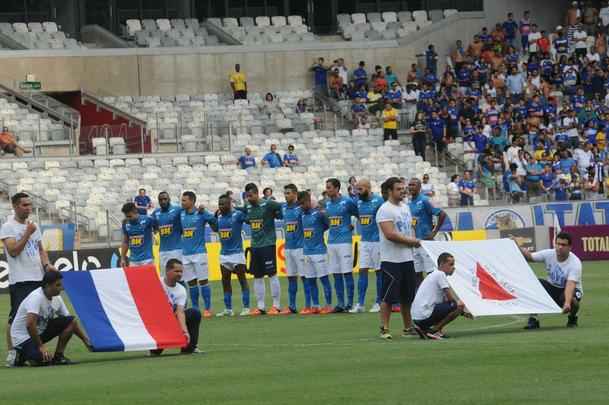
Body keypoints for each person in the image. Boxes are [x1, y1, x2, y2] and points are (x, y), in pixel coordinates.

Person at [1, 192, 56, 368]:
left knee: (38, 316)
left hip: (38, 278)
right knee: (15, 318)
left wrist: (47, 265)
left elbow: (41, 250)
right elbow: (13, 251)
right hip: (21, 280)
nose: (29, 208)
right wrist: (27, 233)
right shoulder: (8, 227)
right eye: (25, 205)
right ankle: (12, 353)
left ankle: (30, 350)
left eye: (30, 205)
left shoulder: (34, 226)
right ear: (16, 206)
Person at [10, 271, 91, 366]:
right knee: (44, 360)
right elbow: (29, 324)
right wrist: (41, 346)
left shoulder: (57, 298)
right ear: (48, 285)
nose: (62, 288)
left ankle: (58, 357)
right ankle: (20, 355)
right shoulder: (36, 297)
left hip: (38, 332)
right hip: (23, 337)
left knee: (71, 321)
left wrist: (85, 340)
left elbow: (70, 322)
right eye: (58, 285)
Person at [376, 177, 421, 339]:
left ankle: (408, 327)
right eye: (398, 189)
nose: (403, 191)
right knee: (388, 297)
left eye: (403, 188)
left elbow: (409, 229)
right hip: (391, 260)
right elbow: (390, 234)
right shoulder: (385, 209)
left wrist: (413, 242)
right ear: (390, 191)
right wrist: (412, 242)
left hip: (407, 258)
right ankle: (384, 328)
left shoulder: (405, 207)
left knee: (407, 296)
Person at [517, 232, 583, 329]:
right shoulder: (549, 254)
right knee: (534, 284)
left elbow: (570, 284)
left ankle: (572, 317)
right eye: (558, 244)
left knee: (573, 302)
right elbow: (530, 257)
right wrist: (517, 245)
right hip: (552, 288)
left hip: (570, 290)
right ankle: (533, 320)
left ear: (570, 247)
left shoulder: (575, 263)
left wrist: (567, 303)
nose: (560, 247)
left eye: (563, 245)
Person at [238, 183, 283, 315]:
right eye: (247, 196)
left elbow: (281, 207)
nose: (249, 198)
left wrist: (277, 214)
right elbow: (244, 213)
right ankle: (260, 306)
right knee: (257, 275)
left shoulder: (268, 204)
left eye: (251, 195)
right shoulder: (248, 206)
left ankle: (276, 305)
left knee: (272, 274)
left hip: (268, 244)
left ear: (257, 194)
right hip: (255, 245)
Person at [210, 195, 250, 317]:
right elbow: (215, 229)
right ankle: (228, 309)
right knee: (225, 282)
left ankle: (246, 307)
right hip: (224, 255)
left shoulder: (237, 215)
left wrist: (243, 208)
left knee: (242, 280)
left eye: (223, 204)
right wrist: (213, 217)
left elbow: (248, 219)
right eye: (219, 204)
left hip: (237, 253)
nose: (221, 206)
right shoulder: (220, 217)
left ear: (229, 204)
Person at [150, 259, 201, 355]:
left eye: (181, 271)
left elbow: (180, 312)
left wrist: (184, 331)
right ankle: (154, 347)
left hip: (172, 321)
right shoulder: (155, 283)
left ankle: (189, 347)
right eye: (176, 271)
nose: (180, 274)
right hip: (156, 323)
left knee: (194, 313)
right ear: (167, 271)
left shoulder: (181, 290)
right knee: (155, 353)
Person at [411, 253, 467, 340]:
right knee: (458, 305)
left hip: (416, 318)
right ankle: (434, 331)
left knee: (449, 305)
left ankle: (424, 329)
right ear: (441, 264)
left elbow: (445, 300)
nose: (453, 267)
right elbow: (450, 298)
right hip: (424, 315)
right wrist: (462, 310)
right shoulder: (440, 274)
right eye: (451, 264)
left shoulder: (433, 275)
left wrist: (462, 312)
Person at [324, 178, 359, 312]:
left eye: (330, 187)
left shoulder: (347, 202)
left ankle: (349, 303)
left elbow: (358, 214)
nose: (327, 190)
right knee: (336, 274)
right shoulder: (327, 204)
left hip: (344, 242)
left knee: (347, 273)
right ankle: (340, 304)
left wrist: (352, 226)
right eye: (327, 188)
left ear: (337, 188)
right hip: (332, 242)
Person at [179, 191, 216, 317]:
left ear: (192, 201)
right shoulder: (181, 214)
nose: (182, 202)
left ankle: (208, 308)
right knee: (191, 283)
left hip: (199, 253)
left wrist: (205, 211)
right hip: (185, 254)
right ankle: (195, 309)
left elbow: (215, 223)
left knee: (203, 281)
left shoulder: (200, 214)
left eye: (184, 200)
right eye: (182, 200)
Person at [350, 179, 384, 314]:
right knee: (362, 270)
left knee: (378, 272)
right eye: (356, 189)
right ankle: (360, 303)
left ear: (368, 188)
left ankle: (378, 301)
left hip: (377, 242)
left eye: (360, 189)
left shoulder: (379, 201)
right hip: (364, 241)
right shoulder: (358, 202)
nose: (357, 192)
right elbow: (358, 216)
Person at [298, 190, 333, 315]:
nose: (301, 206)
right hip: (307, 251)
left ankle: (328, 305)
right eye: (299, 204)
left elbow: (328, 224)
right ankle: (316, 305)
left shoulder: (318, 214)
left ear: (308, 201)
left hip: (319, 251)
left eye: (303, 203)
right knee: (310, 280)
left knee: (324, 279)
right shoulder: (301, 215)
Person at [408, 178, 447, 284]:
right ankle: (421, 296)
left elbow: (442, 214)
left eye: (413, 185)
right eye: (409, 185)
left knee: (431, 272)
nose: (410, 187)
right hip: (415, 243)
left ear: (419, 187)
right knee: (417, 273)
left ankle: (435, 297)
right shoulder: (409, 203)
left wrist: (434, 232)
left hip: (426, 242)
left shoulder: (425, 200)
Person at [281, 184, 311, 314]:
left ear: (295, 194)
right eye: (285, 193)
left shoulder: (301, 208)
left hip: (300, 248)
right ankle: (292, 306)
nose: (286, 195)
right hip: (288, 248)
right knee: (291, 277)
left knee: (305, 277)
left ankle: (308, 305)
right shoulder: (283, 208)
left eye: (288, 193)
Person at [151, 192, 182, 274]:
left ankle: (182, 287)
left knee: (178, 276)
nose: (163, 201)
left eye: (165, 199)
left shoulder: (177, 209)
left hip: (176, 250)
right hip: (162, 251)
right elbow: (152, 225)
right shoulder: (156, 213)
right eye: (160, 200)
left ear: (169, 199)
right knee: (164, 277)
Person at [120, 202, 154, 267]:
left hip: (147, 259)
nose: (128, 218)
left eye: (129, 216)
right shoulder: (125, 223)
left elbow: (157, 228)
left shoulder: (148, 219)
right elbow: (125, 242)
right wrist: (122, 258)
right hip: (133, 261)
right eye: (126, 216)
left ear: (135, 212)